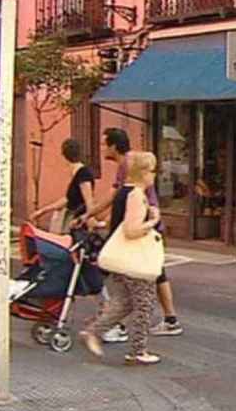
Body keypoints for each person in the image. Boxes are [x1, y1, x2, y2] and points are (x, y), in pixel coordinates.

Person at [81, 128, 184, 338]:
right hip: (144, 222)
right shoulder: (129, 162)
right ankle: (169, 319)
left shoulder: (128, 164)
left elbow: (115, 197)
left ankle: (109, 321)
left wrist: (89, 215)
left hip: (141, 225)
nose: (102, 148)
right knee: (155, 272)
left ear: (113, 146)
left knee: (105, 268)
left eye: (104, 144)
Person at [80, 151, 162, 365]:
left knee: (125, 303)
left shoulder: (128, 192)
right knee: (144, 303)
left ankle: (94, 331)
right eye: (153, 171)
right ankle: (137, 351)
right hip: (134, 260)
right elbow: (131, 230)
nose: (155, 175)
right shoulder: (136, 195)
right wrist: (152, 221)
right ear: (144, 173)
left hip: (123, 260)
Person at [30, 139, 96, 233]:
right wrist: (43, 211)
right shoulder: (77, 173)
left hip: (78, 222)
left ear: (64, 155)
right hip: (72, 220)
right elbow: (68, 199)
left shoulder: (83, 174)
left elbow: (89, 201)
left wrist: (90, 220)